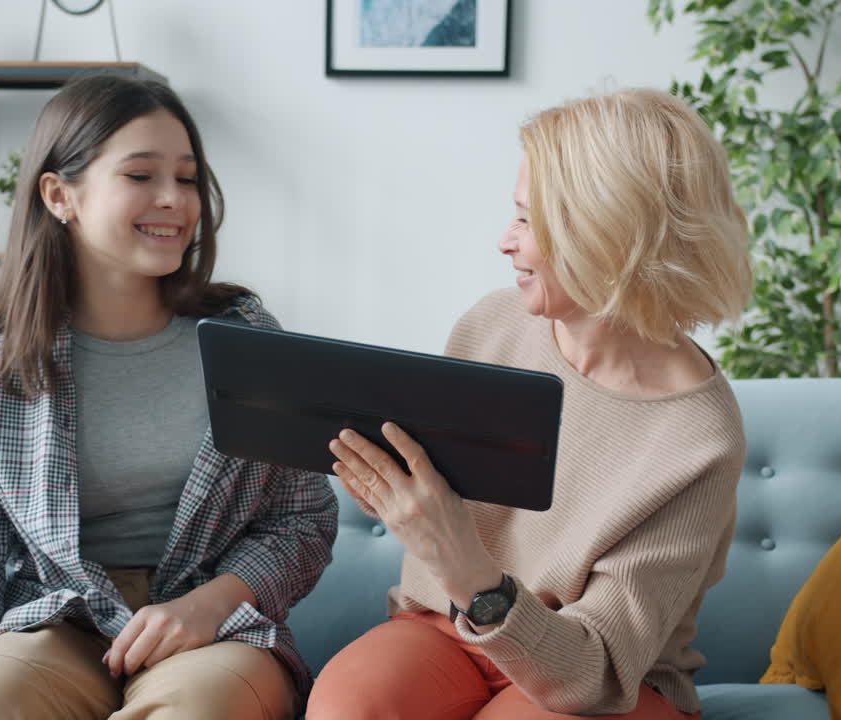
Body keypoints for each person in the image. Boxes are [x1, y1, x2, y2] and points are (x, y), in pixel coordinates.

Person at [0, 74, 338, 720]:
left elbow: (302, 522)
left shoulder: (252, 342)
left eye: (187, 179)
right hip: (57, 620)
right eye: (141, 175)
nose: (174, 199)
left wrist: (208, 605)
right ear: (59, 195)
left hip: (217, 627)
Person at [307, 88, 753, 720]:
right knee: (348, 706)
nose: (504, 241)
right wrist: (394, 491)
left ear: (608, 233)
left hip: (600, 679)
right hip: (449, 630)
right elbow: (439, 505)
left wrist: (462, 563)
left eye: (526, 219)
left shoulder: (698, 437)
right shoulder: (491, 327)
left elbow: (594, 675)